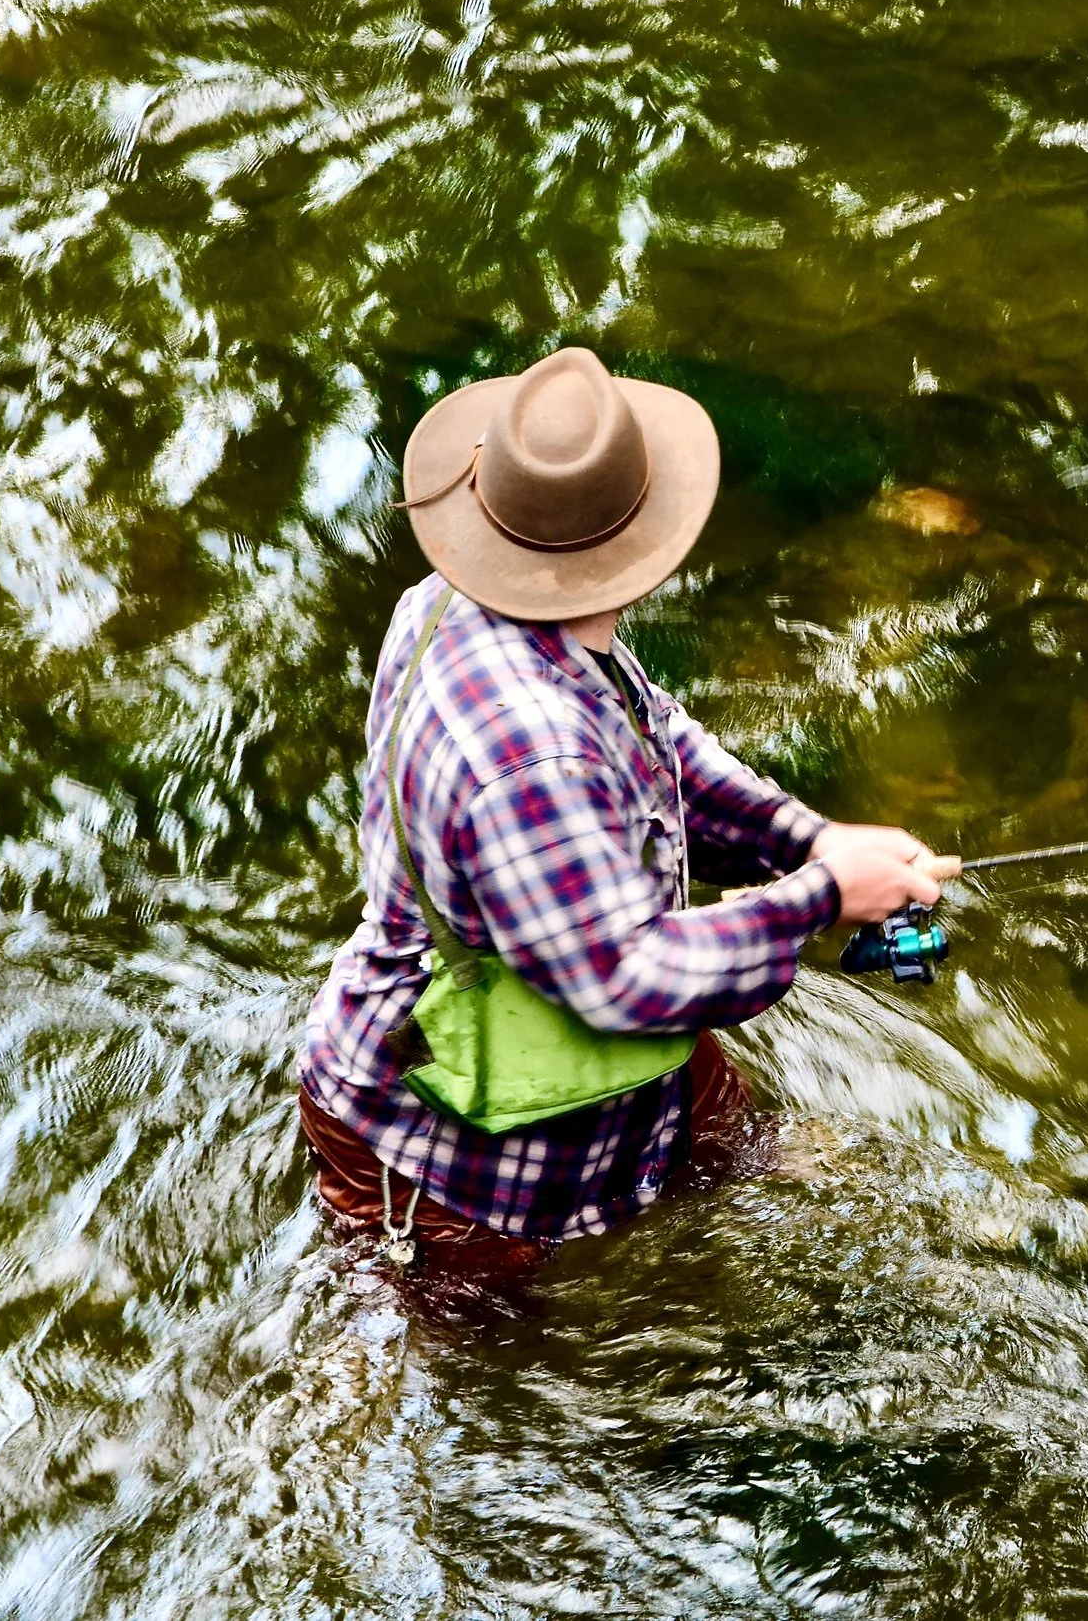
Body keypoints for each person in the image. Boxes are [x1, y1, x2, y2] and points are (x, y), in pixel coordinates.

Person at [298, 345, 944, 1298]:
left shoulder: (462, 603)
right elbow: (624, 977)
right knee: (493, 1348)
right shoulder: (529, 757)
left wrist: (808, 840)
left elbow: (657, 744)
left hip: (581, 1017)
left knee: (730, 1140)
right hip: (446, 1133)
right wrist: (821, 899)